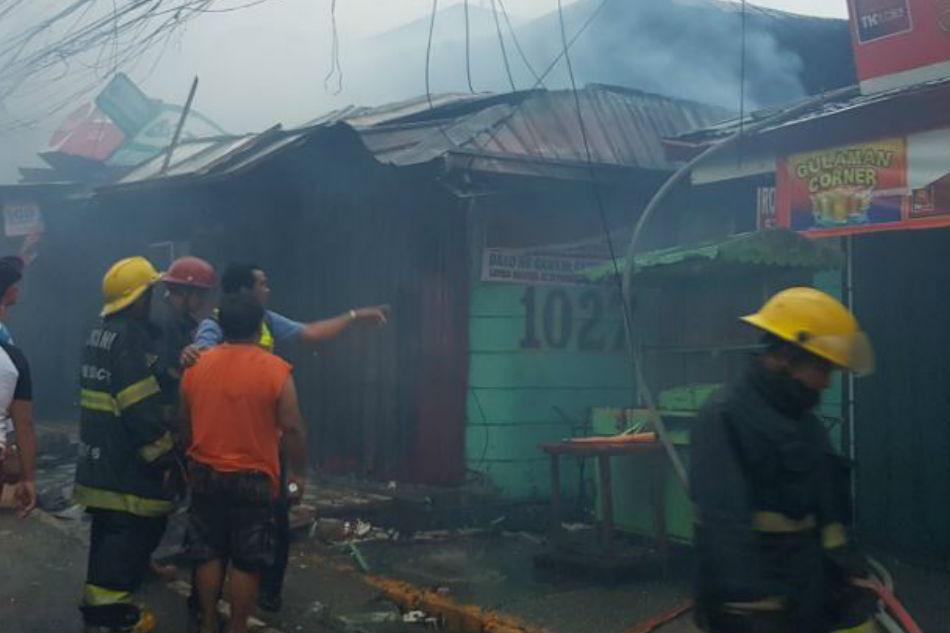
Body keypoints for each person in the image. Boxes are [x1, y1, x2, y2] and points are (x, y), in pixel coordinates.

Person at [181, 262, 387, 612]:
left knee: (245, 533)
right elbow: (293, 425)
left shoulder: (266, 320)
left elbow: (310, 332)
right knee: (235, 543)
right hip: (236, 447)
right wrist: (298, 473)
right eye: (262, 284)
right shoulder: (215, 328)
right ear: (243, 291)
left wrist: (354, 316)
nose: (268, 289)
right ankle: (215, 608)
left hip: (249, 445)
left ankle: (259, 594)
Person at [690, 287, 878, 633]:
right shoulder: (725, 416)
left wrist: (847, 567)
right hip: (756, 594)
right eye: (821, 368)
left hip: (806, 581)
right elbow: (721, 522)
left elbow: (829, 508)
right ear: (783, 357)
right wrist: (750, 602)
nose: (825, 383)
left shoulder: (804, 420)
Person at [182, 293, 307, 633]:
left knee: (208, 552)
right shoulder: (276, 370)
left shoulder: (196, 366)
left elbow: (184, 420)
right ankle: (237, 626)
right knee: (246, 560)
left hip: (205, 471)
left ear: (221, 327)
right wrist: (297, 472)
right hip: (254, 477)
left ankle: (208, 622)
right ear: (259, 328)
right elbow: (293, 426)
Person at [74, 257, 176, 633]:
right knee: (126, 533)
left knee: (107, 530)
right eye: (151, 292)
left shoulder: (100, 330)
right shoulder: (128, 336)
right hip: (123, 461)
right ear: (139, 298)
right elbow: (137, 404)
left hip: (98, 457)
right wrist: (166, 452)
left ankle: (102, 602)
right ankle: (112, 614)